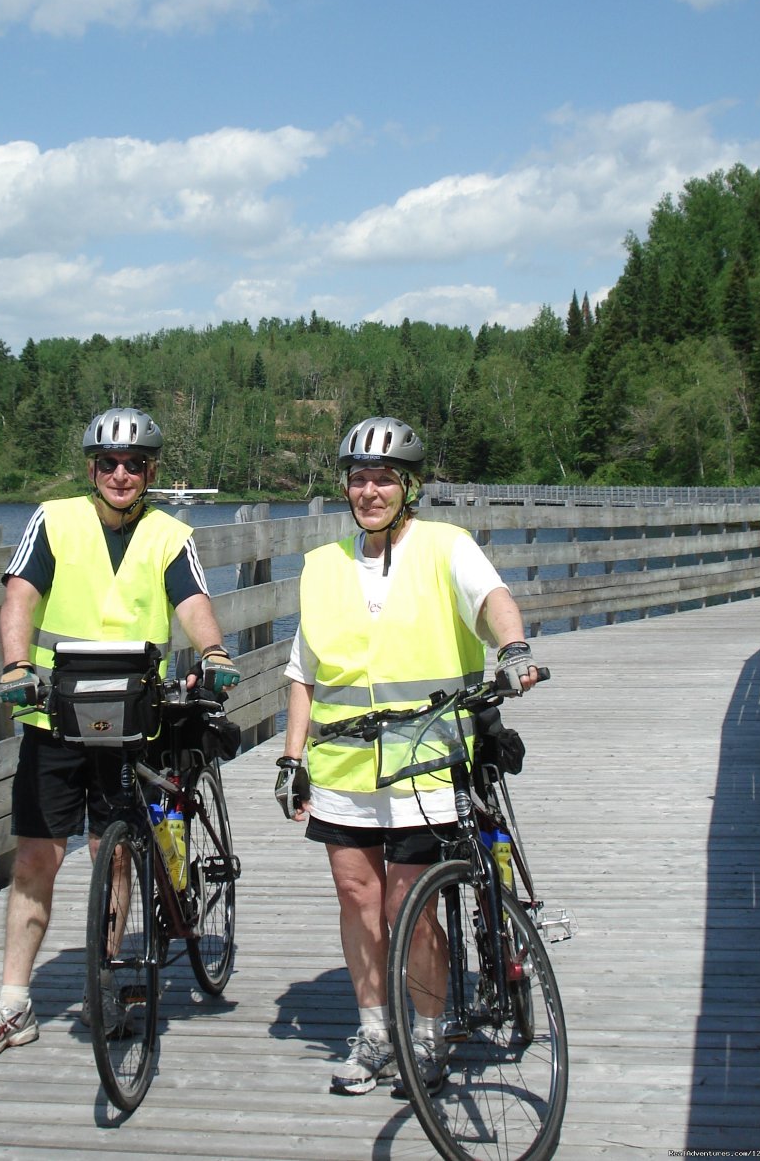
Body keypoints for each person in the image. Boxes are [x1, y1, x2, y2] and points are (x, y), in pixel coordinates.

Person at [0, 406, 239, 1060]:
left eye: (134, 464)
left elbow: (192, 601)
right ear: (91, 468)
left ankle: (106, 976)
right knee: (35, 856)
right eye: (108, 463)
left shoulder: (170, 532)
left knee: (111, 853)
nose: (120, 473)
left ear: (150, 471)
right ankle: (12, 1003)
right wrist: (17, 664)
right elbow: (21, 595)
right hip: (56, 711)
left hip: (131, 714)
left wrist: (216, 651)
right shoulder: (54, 520)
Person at [275, 416, 539, 1097]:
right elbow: (302, 671)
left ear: (409, 485)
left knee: (409, 905)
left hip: (426, 759)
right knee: (356, 897)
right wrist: (290, 755)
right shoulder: (323, 566)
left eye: (383, 478)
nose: (369, 490)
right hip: (340, 766)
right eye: (358, 478)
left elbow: (494, 600)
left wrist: (513, 649)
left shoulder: (446, 546)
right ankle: (373, 1031)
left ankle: (427, 1030)